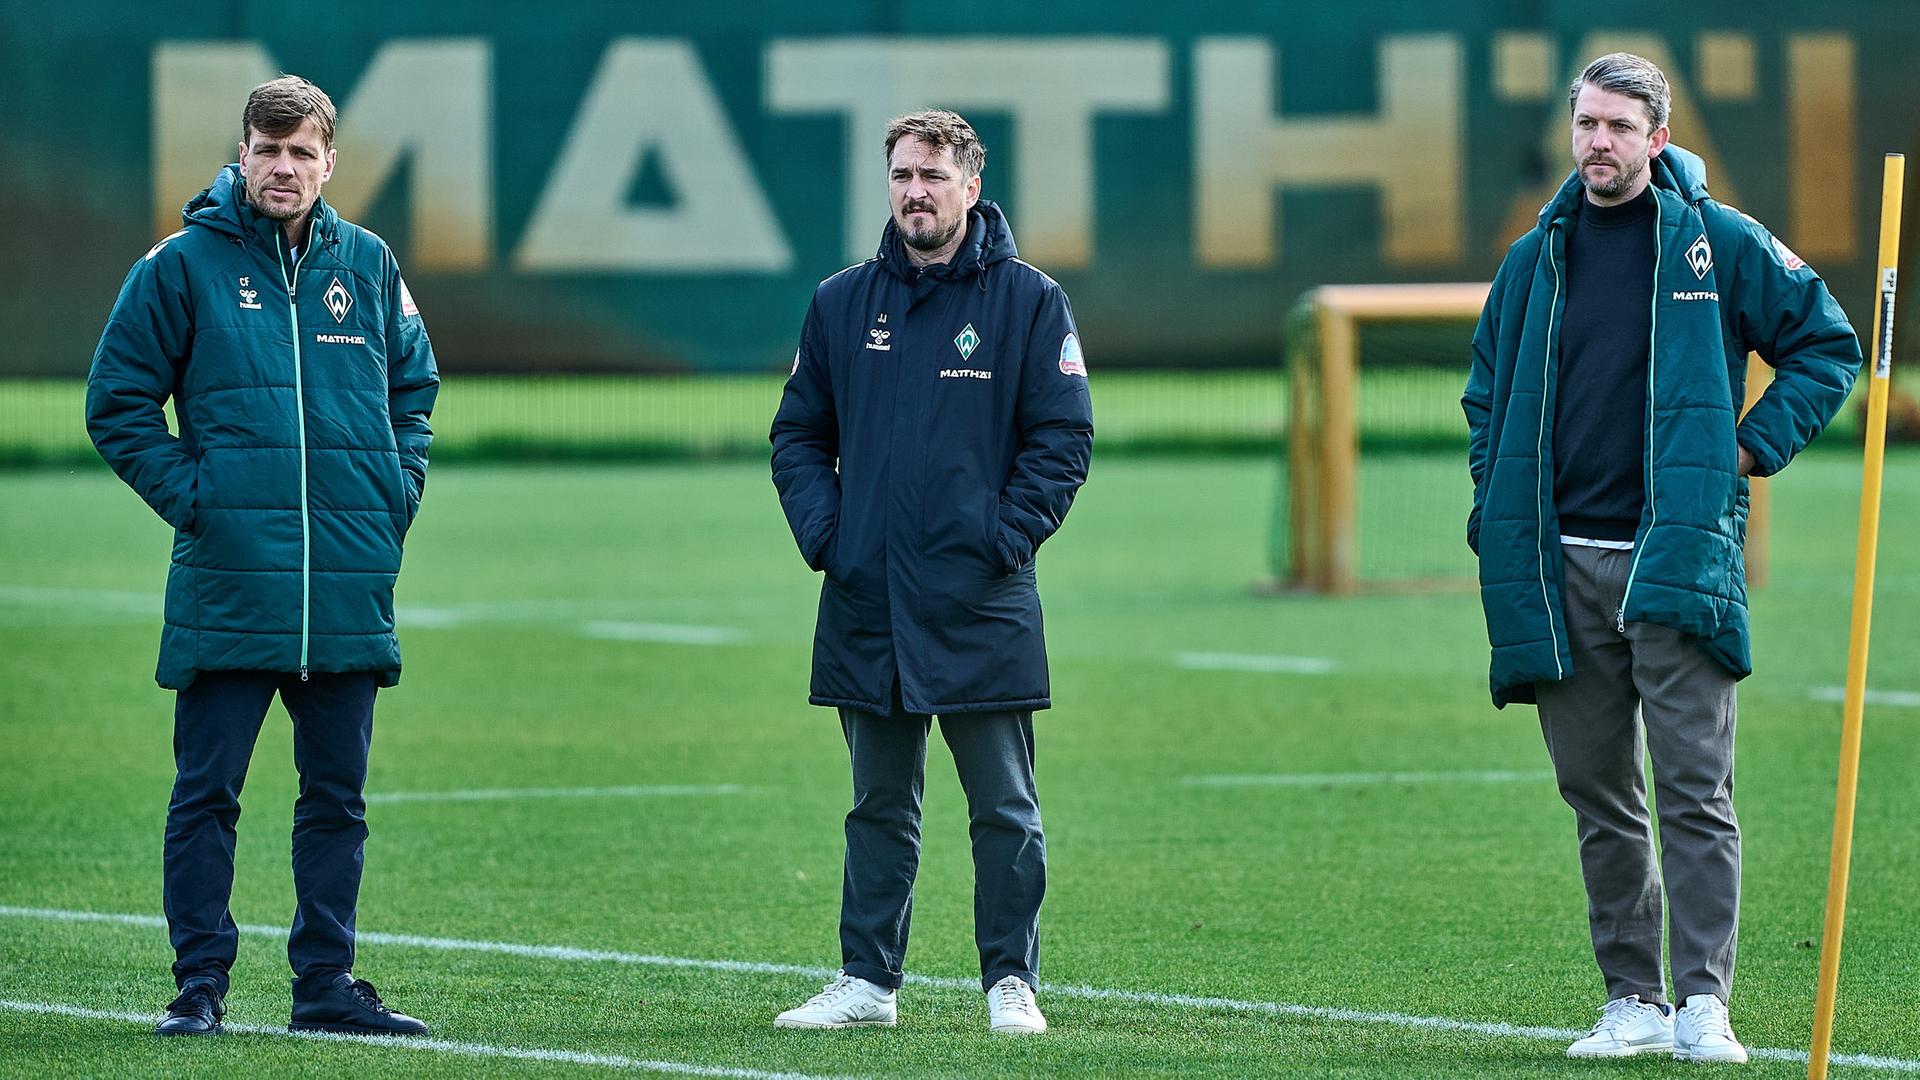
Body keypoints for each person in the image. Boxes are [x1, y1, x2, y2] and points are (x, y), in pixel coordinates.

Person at [1463, 53, 1861, 1063]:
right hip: (1560, 572)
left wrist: (1749, 446)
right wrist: (1493, 500)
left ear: (1658, 139)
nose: (1598, 141)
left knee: (1693, 794)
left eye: (1618, 126)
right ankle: (1631, 999)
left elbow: (1827, 345)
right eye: (1586, 123)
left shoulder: (1718, 245)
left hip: (1672, 561)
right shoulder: (1531, 260)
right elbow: (1484, 398)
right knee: (1600, 799)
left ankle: (1704, 1005)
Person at [86, 75, 438, 1038]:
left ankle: (325, 985)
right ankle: (198, 986)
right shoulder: (182, 264)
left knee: (338, 801)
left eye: (301, 153)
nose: (282, 168)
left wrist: (392, 493)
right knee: (207, 797)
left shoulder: (366, 264)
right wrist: (198, 502)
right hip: (231, 582)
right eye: (266, 149)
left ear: (330, 163)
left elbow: (416, 385)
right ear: (242, 153)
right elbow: (115, 403)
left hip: (347, 586)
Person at [768, 109, 1093, 1035]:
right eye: (903, 175)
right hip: (869, 597)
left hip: (981, 597)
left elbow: (1063, 437)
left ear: (971, 187)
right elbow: (798, 432)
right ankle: (868, 984)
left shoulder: (1030, 303)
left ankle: (1010, 983)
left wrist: (1005, 538)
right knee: (877, 805)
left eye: (933, 176)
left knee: (1003, 805)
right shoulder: (841, 303)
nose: (916, 191)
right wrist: (831, 536)